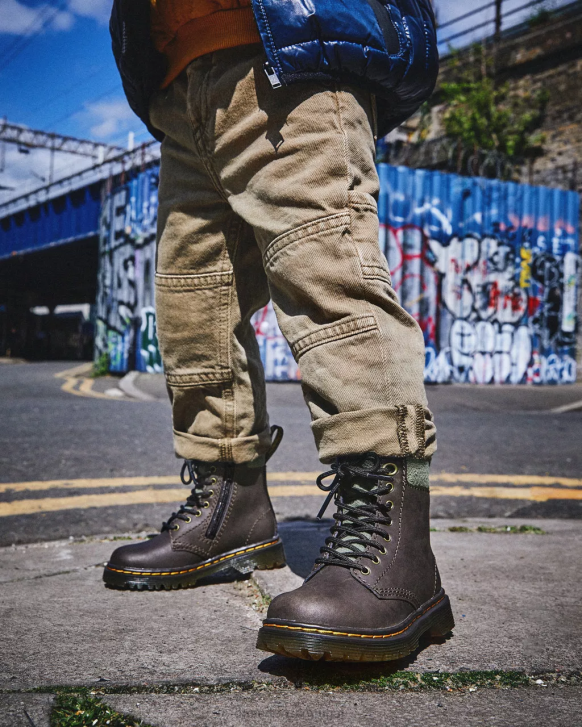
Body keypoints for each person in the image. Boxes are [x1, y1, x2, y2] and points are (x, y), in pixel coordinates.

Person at [103, 0, 454, 662]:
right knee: (193, 307)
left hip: (291, 46)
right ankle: (228, 509)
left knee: (326, 274)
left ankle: (399, 551)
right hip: (178, 81)